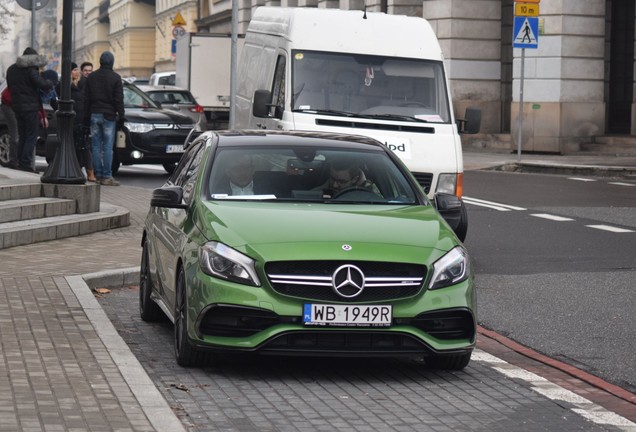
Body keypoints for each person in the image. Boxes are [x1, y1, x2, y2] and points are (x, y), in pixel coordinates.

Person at [5, 47, 55, 172]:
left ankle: (20, 161)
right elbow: (42, 84)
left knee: (22, 135)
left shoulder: (11, 69)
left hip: (16, 107)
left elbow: (10, 87)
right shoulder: (30, 71)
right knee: (31, 136)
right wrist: (51, 81)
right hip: (30, 107)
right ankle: (26, 163)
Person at [84, 51, 124, 186]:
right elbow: (119, 100)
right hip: (109, 115)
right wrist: (122, 116)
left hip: (94, 114)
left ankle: (98, 175)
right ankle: (107, 175)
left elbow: (86, 99)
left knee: (95, 146)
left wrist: (86, 115)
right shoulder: (115, 78)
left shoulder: (92, 77)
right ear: (111, 62)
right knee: (107, 147)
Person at [56, 62, 96, 181]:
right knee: (71, 146)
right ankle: (76, 170)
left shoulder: (84, 83)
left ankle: (90, 172)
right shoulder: (63, 85)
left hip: (82, 120)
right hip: (68, 120)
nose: (76, 72)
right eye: (73, 70)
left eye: (77, 70)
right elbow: (55, 99)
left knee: (84, 147)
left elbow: (88, 100)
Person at [316, 155, 380, 197]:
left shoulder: (372, 194)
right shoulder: (320, 189)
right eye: (332, 178)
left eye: (341, 182)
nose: (334, 185)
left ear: (355, 179)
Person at [0, 85, 20, 168]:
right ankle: (14, 160)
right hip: (9, 106)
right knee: (15, 135)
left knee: (15, 135)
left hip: (14, 106)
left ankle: (15, 160)